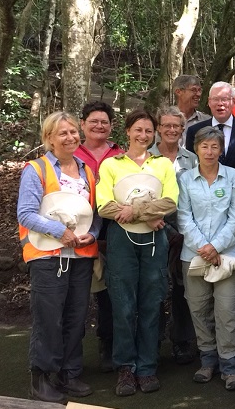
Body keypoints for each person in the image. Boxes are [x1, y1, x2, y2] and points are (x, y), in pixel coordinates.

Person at [17, 111, 101, 403]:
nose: (70, 138)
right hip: (47, 255)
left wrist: (93, 233)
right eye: (62, 133)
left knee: (76, 317)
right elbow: (26, 214)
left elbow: (94, 213)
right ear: (49, 138)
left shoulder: (87, 171)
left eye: (73, 132)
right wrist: (59, 232)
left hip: (80, 255)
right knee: (48, 318)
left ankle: (69, 373)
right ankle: (42, 376)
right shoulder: (36, 169)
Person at [97, 109, 179, 397]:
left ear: (153, 133)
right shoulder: (111, 165)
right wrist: (146, 214)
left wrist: (137, 211)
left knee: (151, 302)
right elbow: (104, 206)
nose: (143, 135)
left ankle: (147, 367)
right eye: (138, 130)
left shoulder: (163, 165)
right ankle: (126, 368)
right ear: (128, 131)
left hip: (155, 240)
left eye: (148, 131)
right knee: (123, 304)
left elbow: (169, 203)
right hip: (121, 240)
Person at [178, 126, 235, 391]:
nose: (209, 151)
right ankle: (207, 361)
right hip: (193, 256)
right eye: (204, 146)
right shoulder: (185, 179)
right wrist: (203, 247)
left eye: (214, 146)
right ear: (196, 149)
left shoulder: (233, 177)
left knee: (227, 310)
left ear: (221, 150)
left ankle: (230, 367)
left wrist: (215, 247)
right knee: (199, 308)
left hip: (227, 256)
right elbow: (183, 217)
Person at [73, 101, 124, 373]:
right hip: (78, 231)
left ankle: (108, 345)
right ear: (82, 124)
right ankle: (72, 352)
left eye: (104, 122)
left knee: (109, 294)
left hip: (114, 228)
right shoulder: (71, 153)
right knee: (78, 292)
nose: (99, 126)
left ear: (112, 126)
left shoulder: (121, 155)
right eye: (93, 121)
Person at [149, 106, 199, 366]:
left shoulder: (192, 159)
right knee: (156, 287)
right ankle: (153, 342)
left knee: (183, 288)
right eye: (166, 125)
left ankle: (182, 341)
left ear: (182, 129)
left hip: (186, 231)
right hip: (153, 229)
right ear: (158, 128)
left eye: (176, 126)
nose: (171, 130)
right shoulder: (147, 157)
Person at [186, 81, 235, 189]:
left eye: (225, 99)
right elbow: (191, 168)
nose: (220, 103)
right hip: (203, 196)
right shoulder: (194, 131)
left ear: (234, 102)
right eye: (216, 99)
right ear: (209, 102)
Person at [173, 75, 210, 144]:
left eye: (199, 90)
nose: (199, 94)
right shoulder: (166, 119)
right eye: (194, 90)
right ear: (178, 92)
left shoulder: (206, 120)